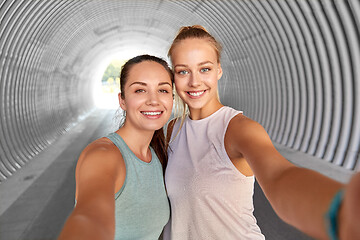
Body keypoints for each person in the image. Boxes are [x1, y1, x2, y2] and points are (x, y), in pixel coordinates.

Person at [164, 25, 360, 240]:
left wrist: (340, 213)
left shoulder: (239, 128)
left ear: (219, 70)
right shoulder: (174, 130)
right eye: (183, 71)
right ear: (173, 76)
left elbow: (279, 176)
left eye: (205, 69)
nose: (194, 81)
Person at [58, 55, 173, 240]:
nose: (154, 100)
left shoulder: (157, 155)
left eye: (163, 90)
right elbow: (88, 219)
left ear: (172, 99)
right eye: (140, 90)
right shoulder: (104, 155)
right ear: (122, 101)